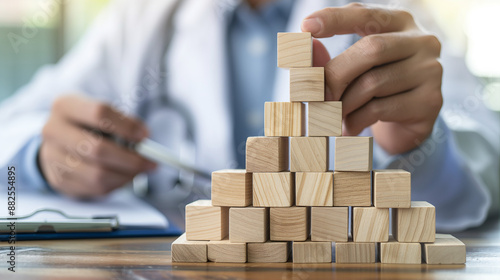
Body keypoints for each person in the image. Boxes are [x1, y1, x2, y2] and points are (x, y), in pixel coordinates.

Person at [0, 0, 498, 232]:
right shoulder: (143, 19)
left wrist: (418, 145)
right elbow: (15, 123)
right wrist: (43, 157)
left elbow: (488, 149)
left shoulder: (394, 13)